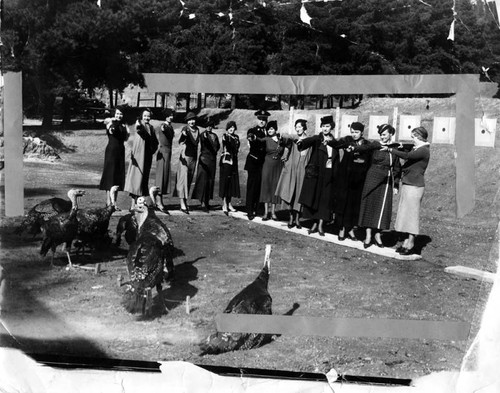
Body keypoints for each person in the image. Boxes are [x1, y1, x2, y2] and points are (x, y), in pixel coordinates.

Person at [349, 123, 401, 248]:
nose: (382, 137)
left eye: (384, 135)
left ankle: (378, 235)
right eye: (381, 135)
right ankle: (368, 236)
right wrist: (353, 148)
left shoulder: (394, 148)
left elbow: (397, 167)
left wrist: (396, 185)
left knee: (381, 208)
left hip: (386, 180)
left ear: (390, 134)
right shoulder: (376, 145)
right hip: (372, 177)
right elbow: (364, 148)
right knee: (369, 205)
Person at [383, 126, 431, 255]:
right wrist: (399, 144)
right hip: (408, 184)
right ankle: (405, 241)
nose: (412, 139)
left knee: (412, 216)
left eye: (414, 137)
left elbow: (407, 155)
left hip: (415, 186)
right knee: (405, 215)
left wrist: (390, 149)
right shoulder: (418, 148)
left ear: (419, 137)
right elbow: (408, 147)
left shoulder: (423, 150)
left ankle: (411, 243)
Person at [296, 115, 339, 236]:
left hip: (329, 174)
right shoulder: (317, 139)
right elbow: (307, 141)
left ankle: (320, 225)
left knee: (325, 200)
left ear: (331, 127)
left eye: (328, 126)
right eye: (323, 126)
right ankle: (314, 223)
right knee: (314, 198)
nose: (325, 129)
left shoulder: (334, 142)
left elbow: (337, 158)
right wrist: (301, 142)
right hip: (317, 174)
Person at [332, 122, 370, 241]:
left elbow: (367, 161)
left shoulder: (366, 144)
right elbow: (336, 144)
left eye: (357, 132)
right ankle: (342, 228)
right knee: (343, 203)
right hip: (345, 178)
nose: (354, 135)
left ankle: (351, 229)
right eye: (352, 132)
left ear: (362, 132)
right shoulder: (347, 140)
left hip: (358, 179)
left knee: (354, 205)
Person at [274, 119, 312, 229]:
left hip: (303, 169)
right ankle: (291, 217)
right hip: (293, 169)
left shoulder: (309, 140)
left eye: (300, 127)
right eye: (296, 127)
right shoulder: (294, 139)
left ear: (304, 128)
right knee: (291, 192)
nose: (298, 129)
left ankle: (297, 219)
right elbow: (287, 137)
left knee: (299, 194)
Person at [124, 108, 159, 209]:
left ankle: (140, 202)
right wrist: (138, 124)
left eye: (148, 116)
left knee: (144, 178)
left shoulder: (151, 127)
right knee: (136, 177)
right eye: (145, 116)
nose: (147, 118)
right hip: (139, 154)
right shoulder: (139, 124)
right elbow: (139, 129)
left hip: (147, 155)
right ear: (141, 116)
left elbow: (155, 142)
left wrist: (152, 150)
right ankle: (132, 205)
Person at [99, 106, 129, 209]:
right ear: (114, 114)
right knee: (109, 175)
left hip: (120, 151)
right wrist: (112, 120)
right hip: (111, 151)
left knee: (117, 176)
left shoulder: (124, 125)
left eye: (120, 114)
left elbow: (126, 137)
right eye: (117, 114)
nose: (119, 116)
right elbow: (106, 123)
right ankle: (108, 202)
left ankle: (114, 202)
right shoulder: (110, 123)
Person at [244, 109, 270, 220]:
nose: (262, 121)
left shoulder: (268, 132)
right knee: (252, 186)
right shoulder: (252, 131)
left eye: (264, 119)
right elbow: (252, 144)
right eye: (260, 119)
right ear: (257, 119)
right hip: (254, 162)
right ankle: (249, 210)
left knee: (259, 186)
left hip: (262, 163)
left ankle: (257, 208)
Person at [173, 111, 200, 214]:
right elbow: (181, 140)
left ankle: (185, 201)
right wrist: (184, 135)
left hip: (194, 157)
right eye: (189, 120)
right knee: (183, 180)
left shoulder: (197, 130)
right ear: (187, 121)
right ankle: (182, 203)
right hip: (185, 156)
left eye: (193, 119)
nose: (191, 122)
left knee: (189, 179)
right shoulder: (185, 129)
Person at [258, 120, 285, 221]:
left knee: (275, 187)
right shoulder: (266, 139)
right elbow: (259, 140)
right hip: (267, 165)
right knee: (266, 187)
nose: (270, 130)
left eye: (272, 129)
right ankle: (266, 212)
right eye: (268, 129)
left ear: (275, 129)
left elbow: (288, 147)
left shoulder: (281, 140)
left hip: (278, 166)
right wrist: (253, 138)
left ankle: (273, 212)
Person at [192, 121, 220, 212]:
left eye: (211, 126)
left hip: (212, 160)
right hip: (204, 159)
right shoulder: (203, 135)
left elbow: (218, 146)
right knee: (203, 181)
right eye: (207, 126)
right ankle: (202, 202)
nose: (209, 128)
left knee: (210, 181)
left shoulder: (215, 136)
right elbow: (203, 142)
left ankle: (207, 201)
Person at [154, 108, 175, 213]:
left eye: (172, 115)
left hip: (168, 152)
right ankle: (158, 202)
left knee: (165, 177)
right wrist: (163, 127)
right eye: (170, 115)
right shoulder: (164, 126)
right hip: (162, 153)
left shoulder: (170, 126)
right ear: (166, 116)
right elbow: (162, 129)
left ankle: (159, 201)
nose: (172, 117)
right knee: (160, 177)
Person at [219, 121, 241, 215]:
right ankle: (224, 203)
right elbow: (227, 145)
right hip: (227, 161)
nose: (231, 129)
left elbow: (237, 148)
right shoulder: (225, 136)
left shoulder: (236, 137)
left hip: (234, 161)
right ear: (227, 129)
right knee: (226, 182)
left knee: (232, 182)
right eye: (230, 127)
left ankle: (229, 203)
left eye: (233, 127)